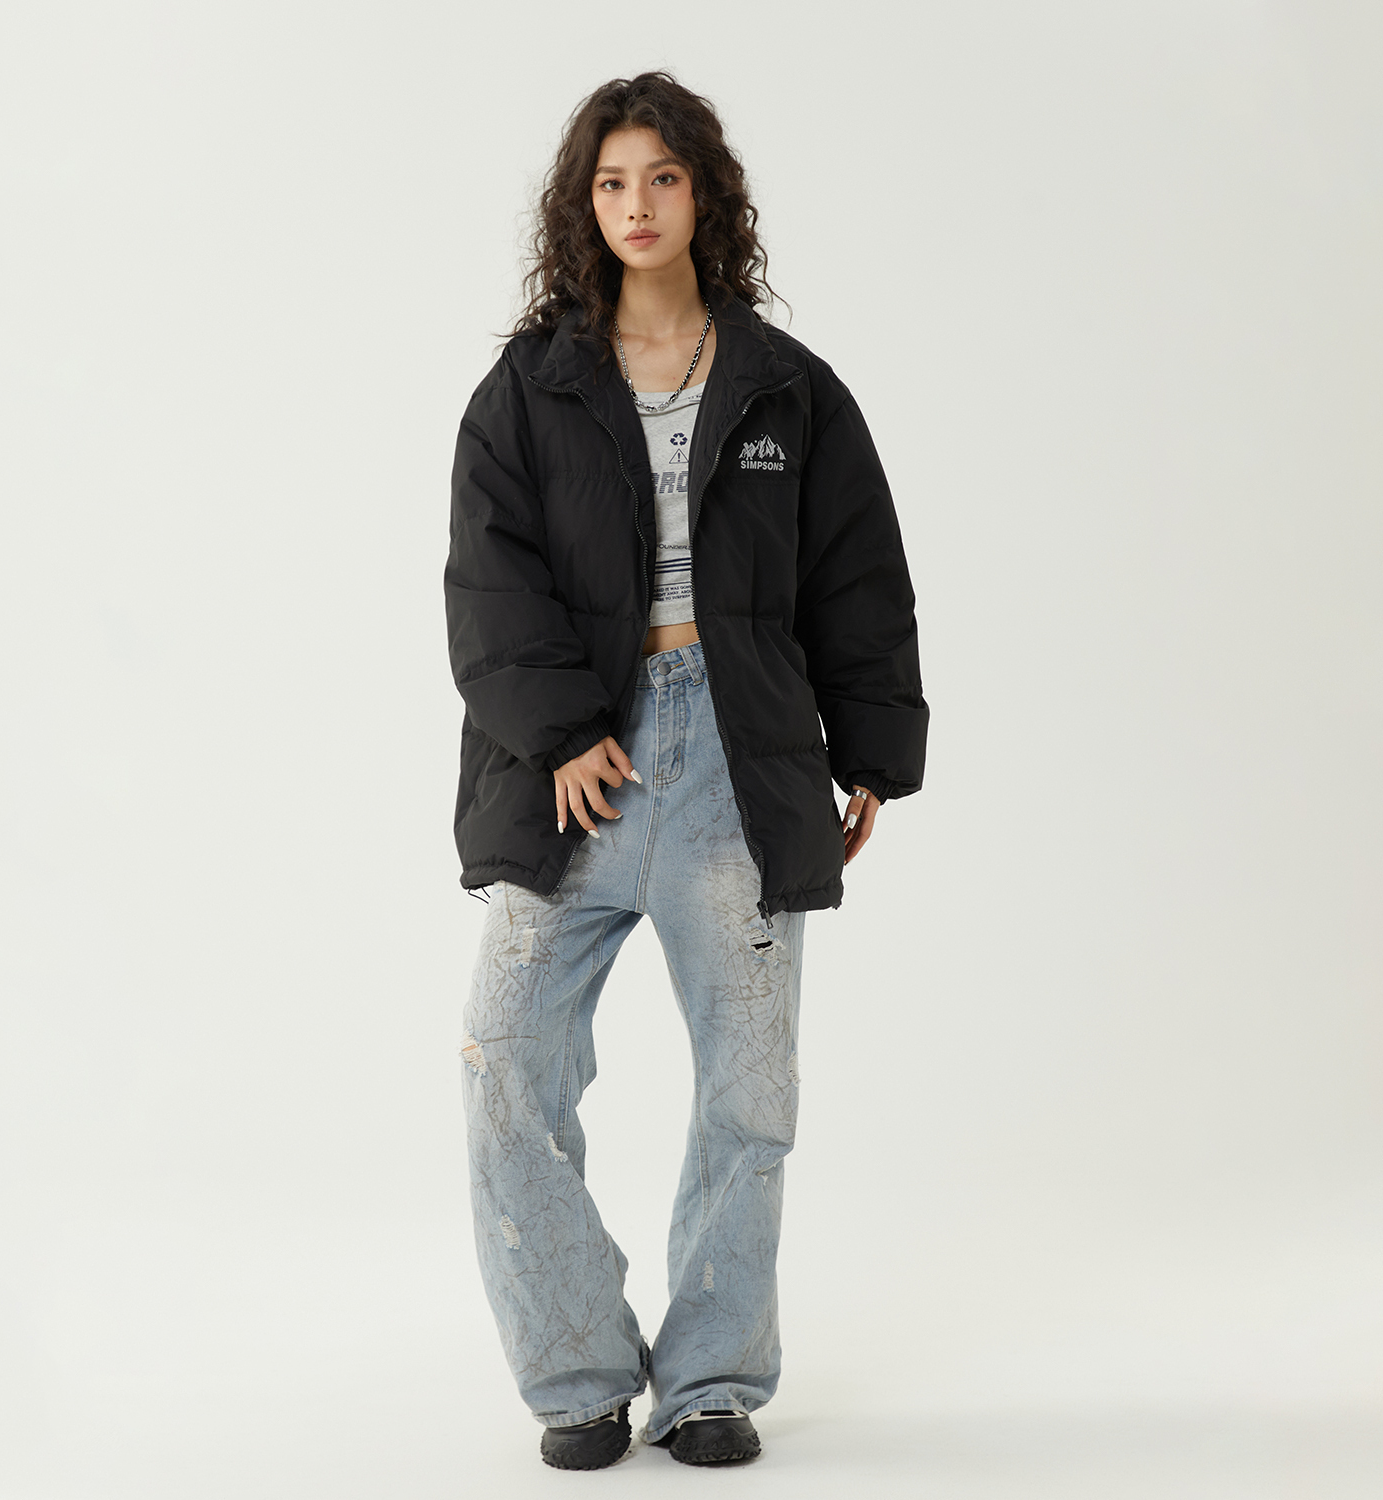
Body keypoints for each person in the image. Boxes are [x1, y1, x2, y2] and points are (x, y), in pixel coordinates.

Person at [444, 71, 928, 1469]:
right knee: (505, 1065)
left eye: (662, 176)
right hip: (572, 778)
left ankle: (711, 1378)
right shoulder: (529, 387)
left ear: (704, 193)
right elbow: (487, 580)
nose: (637, 204)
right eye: (612, 182)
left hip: (739, 758)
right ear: (583, 204)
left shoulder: (787, 386)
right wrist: (559, 731)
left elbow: (857, 576)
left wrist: (870, 754)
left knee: (749, 1093)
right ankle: (578, 1372)